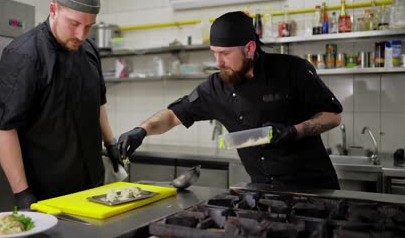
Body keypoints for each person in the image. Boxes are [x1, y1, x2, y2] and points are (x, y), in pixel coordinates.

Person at [117, 11, 343, 190]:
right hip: (263, 193)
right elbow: (173, 115)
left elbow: (332, 115)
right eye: (214, 53)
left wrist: (293, 132)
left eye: (224, 53)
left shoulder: (293, 70)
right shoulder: (216, 87)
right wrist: (142, 130)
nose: (218, 61)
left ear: (250, 48)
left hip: (314, 189)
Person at [0, 0, 122, 209]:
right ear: (53, 9)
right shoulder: (25, 54)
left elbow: (98, 103)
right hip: (48, 192)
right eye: (74, 24)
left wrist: (110, 144)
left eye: (89, 26)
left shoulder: (89, 50)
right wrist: (21, 193)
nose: (81, 35)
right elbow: (5, 129)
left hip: (93, 185)